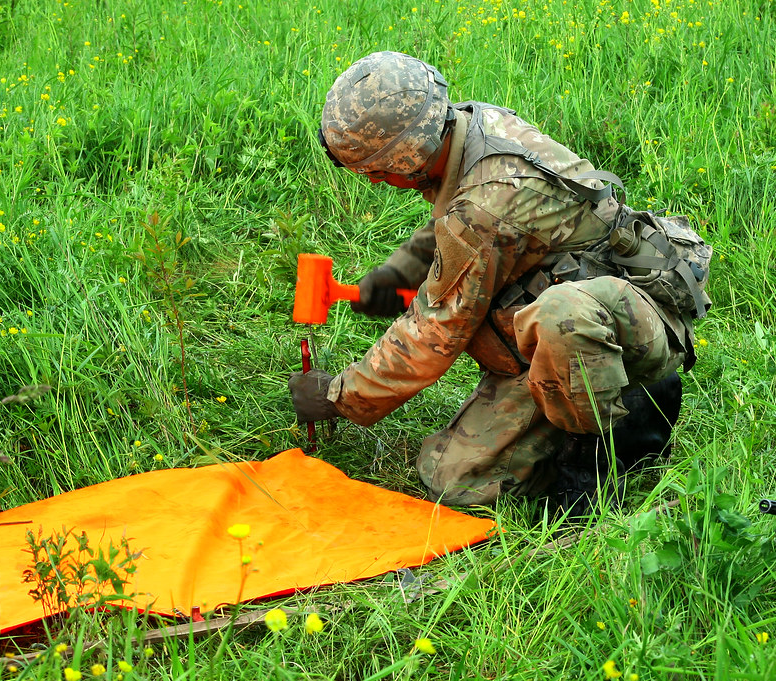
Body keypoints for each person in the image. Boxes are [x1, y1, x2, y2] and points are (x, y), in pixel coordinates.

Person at [288, 51, 710, 513]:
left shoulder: (490, 204)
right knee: (450, 477)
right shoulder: (468, 128)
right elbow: (457, 217)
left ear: (408, 158)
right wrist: (401, 272)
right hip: (582, 325)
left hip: (624, 327)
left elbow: (435, 331)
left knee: (558, 320)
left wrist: (339, 397)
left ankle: (608, 447)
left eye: (376, 172)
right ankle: (573, 404)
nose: (375, 184)